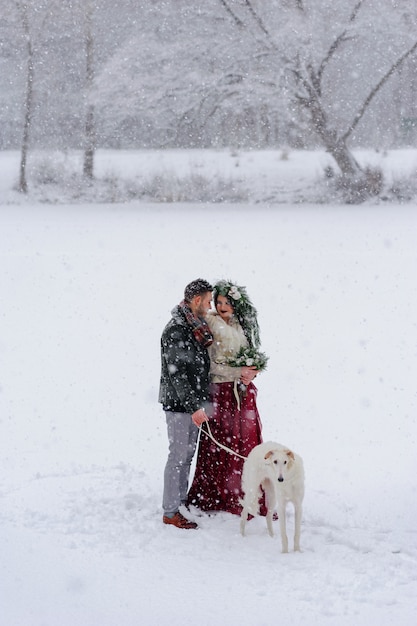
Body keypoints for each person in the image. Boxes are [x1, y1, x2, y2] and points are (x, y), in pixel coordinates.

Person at [187, 279, 268, 516]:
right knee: (221, 442)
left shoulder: (240, 324)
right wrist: (237, 372)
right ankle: (220, 494)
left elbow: (244, 356)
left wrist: (251, 371)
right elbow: (210, 362)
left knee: (244, 439)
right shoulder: (210, 322)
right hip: (220, 390)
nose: (222, 306)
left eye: (227, 302)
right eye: (219, 301)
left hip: (240, 393)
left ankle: (245, 493)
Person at [159, 278, 213, 529]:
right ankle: (170, 512)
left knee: (187, 455)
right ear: (197, 300)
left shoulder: (195, 326)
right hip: (180, 405)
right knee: (178, 455)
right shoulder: (176, 329)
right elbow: (177, 373)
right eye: (209, 300)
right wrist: (193, 406)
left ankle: (179, 502)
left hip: (193, 404)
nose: (210, 305)